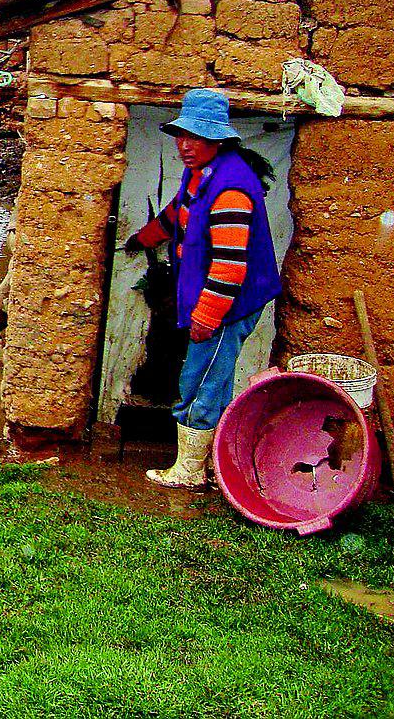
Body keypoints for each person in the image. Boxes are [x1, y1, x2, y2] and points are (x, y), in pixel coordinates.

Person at [123, 88, 282, 488]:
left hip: (230, 303)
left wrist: (207, 318)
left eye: (195, 138)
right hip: (218, 297)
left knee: (200, 377)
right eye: (181, 136)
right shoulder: (201, 173)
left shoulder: (231, 190)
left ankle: (190, 471)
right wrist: (145, 237)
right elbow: (179, 210)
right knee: (214, 374)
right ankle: (211, 461)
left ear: (218, 140)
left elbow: (230, 267)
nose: (185, 146)